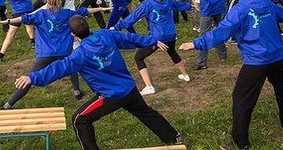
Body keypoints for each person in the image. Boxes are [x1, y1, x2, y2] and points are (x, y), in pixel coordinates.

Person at [14, 15, 183, 150]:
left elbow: (58, 68)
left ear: (73, 34)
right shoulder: (106, 34)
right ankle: (173, 136)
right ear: (88, 27)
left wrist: (32, 77)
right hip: (129, 88)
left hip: (111, 96)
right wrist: (151, 40)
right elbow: (128, 38)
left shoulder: (79, 55)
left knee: (79, 120)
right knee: (145, 112)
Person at [180, 0, 283, 150]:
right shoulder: (265, 2)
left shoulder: (241, 8)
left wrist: (196, 43)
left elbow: (222, 31)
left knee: (241, 98)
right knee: (280, 86)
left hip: (257, 59)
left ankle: (240, 143)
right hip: (276, 56)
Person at [0, 0, 94, 108]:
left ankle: (8, 105)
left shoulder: (41, 15)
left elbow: (23, 18)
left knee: (29, 78)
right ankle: (77, 91)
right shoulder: (68, 13)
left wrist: (7, 21)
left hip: (46, 53)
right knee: (72, 68)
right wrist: (102, 9)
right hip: (64, 51)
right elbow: (84, 11)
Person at [114, 0, 192, 95]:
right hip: (171, 35)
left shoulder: (148, 4)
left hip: (157, 38)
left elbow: (133, 17)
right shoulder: (167, 1)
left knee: (138, 58)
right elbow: (179, 5)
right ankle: (185, 75)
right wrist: (190, 5)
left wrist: (117, 26)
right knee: (172, 52)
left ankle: (149, 86)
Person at [181, 0, 227, 70]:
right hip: (218, 7)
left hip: (208, 9)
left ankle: (201, 62)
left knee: (203, 34)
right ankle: (223, 55)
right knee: (218, 30)